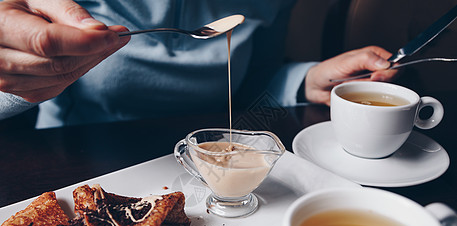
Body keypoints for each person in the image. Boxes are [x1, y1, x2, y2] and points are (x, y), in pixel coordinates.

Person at [0, 0, 397, 128]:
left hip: (210, 159)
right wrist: (14, 85)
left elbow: (252, 84)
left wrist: (304, 81)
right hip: (76, 159)